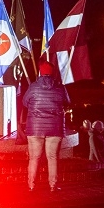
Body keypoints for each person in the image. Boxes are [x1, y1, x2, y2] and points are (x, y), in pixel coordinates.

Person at [23, 60, 71, 192]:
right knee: (52, 157)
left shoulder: (33, 87)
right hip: (55, 127)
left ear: (40, 72)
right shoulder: (60, 87)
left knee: (34, 158)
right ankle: (53, 186)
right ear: (52, 73)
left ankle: (31, 185)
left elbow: (25, 102)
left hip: (35, 127)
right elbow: (67, 102)